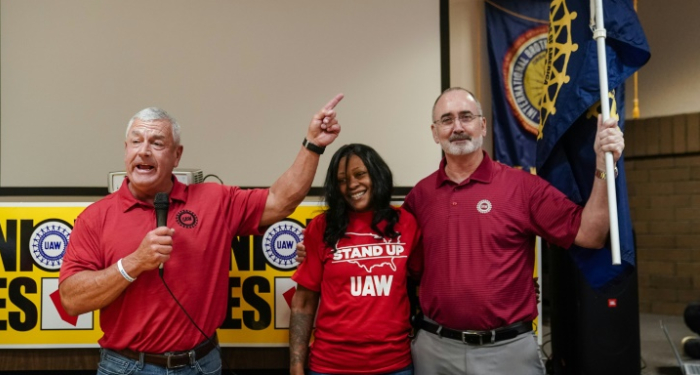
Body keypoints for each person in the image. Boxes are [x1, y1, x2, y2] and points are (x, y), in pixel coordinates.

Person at [58, 94, 343, 375]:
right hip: (127, 366)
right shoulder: (95, 217)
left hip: (201, 365)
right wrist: (133, 263)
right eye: (136, 141)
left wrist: (313, 144)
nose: (144, 151)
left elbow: (281, 201)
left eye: (157, 143)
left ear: (177, 155)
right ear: (125, 150)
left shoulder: (215, 200)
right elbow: (71, 300)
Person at [405, 87, 625, 374]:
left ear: (482, 125)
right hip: (435, 351)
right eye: (446, 120)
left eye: (466, 117)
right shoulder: (420, 197)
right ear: (435, 132)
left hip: (507, 352)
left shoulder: (523, 188)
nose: (457, 127)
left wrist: (602, 165)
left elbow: (589, 234)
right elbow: (405, 267)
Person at [289, 143, 422, 375]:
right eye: (342, 180)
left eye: (360, 174)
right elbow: (303, 303)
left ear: (377, 174)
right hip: (330, 365)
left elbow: (422, 283)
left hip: (394, 364)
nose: (351, 185)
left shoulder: (406, 223)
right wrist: (296, 366)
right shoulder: (321, 228)